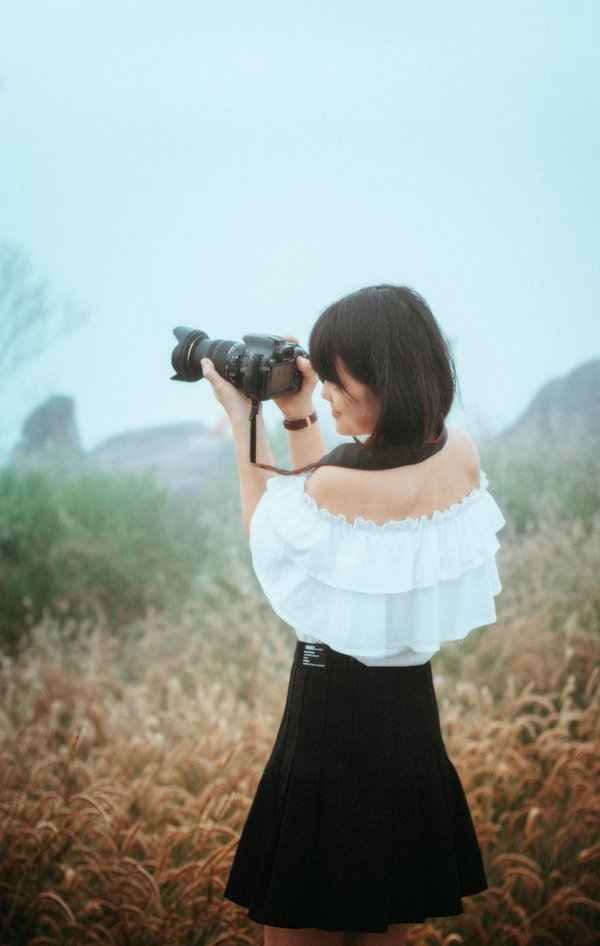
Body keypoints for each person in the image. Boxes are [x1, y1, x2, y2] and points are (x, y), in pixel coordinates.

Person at [200, 285, 505, 946]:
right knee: (383, 927)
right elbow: (336, 510)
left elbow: (270, 529)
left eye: (338, 382)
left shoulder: (339, 485)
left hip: (330, 720)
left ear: (387, 378)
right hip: (407, 723)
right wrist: (301, 412)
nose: (329, 394)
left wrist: (245, 411)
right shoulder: (460, 453)